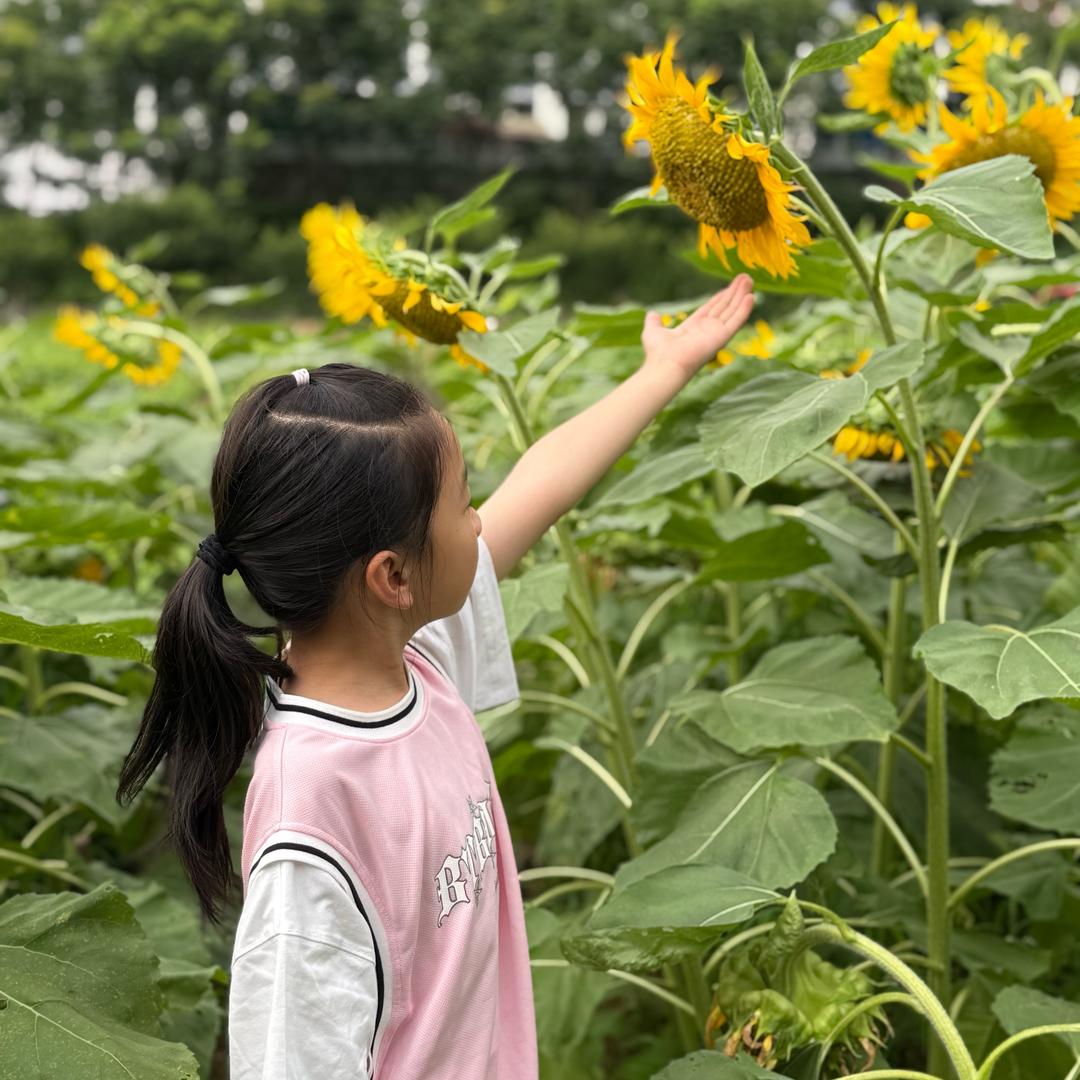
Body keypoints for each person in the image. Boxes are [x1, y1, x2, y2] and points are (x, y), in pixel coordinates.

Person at [114, 272, 755, 1080]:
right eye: (462, 504)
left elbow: (543, 485)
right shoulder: (314, 819)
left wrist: (666, 368)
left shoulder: (411, 658)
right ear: (391, 576)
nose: (482, 519)